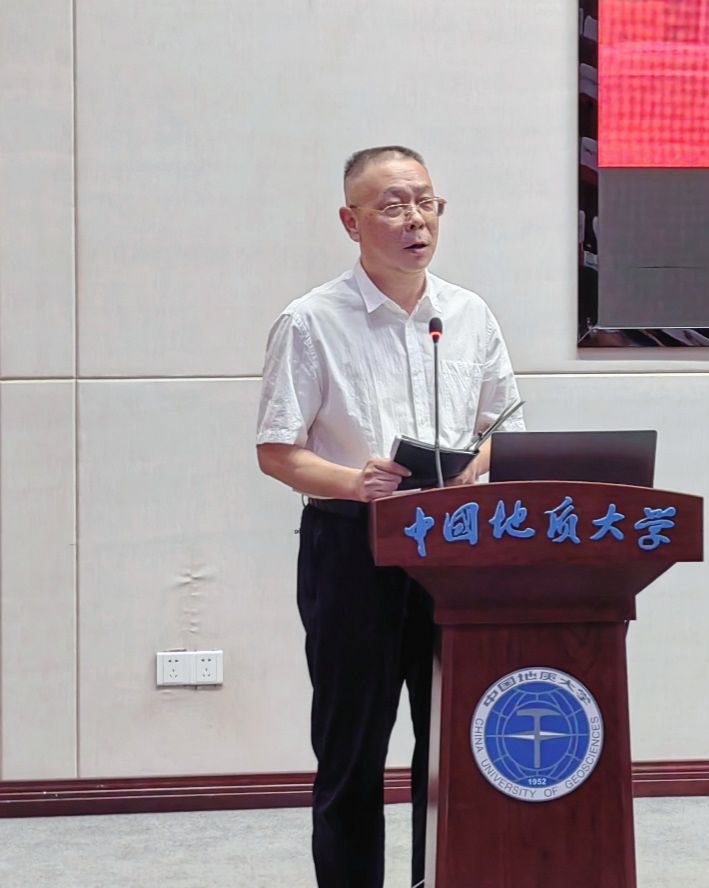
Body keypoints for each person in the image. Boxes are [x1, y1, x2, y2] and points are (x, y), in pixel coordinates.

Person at [255, 145, 523, 888]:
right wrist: (354, 481)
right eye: (393, 206)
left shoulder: (467, 315)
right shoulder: (310, 321)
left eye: (426, 202)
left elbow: (503, 423)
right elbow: (277, 451)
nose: (416, 220)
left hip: (454, 548)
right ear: (351, 222)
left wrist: (475, 463)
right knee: (353, 750)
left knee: (453, 747)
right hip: (353, 546)